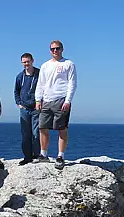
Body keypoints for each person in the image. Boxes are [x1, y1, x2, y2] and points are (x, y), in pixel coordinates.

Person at [35, 40, 77, 170]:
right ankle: (43, 154)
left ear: (62, 49)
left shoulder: (68, 64)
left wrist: (68, 100)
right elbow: (40, 83)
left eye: (57, 48)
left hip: (61, 99)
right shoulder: (45, 65)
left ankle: (60, 156)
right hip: (46, 100)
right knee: (42, 128)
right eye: (52, 49)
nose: (55, 51)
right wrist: (38, 99)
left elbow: (72, 83)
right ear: (49, 50)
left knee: (61, 128)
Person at [14, 53, 41, 165]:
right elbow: (16, 91)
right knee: (25, 134)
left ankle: (36, 155)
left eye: (28, 61)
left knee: (36, 133)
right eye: (24, 62)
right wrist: (19, 103)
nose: (26, 64)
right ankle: (27, 157)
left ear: (32, 61)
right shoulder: (20, 76)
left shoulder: (39, 74)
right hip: (24, 109)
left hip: (36, 108)